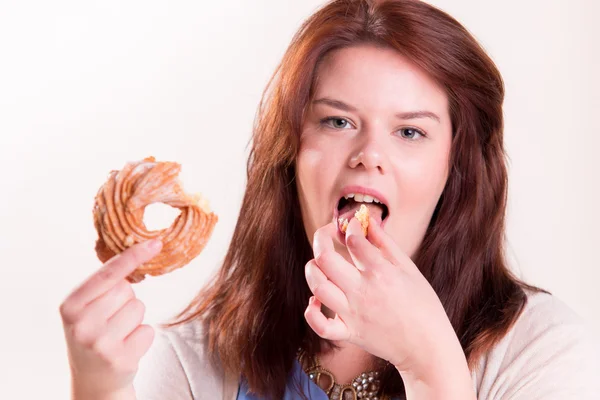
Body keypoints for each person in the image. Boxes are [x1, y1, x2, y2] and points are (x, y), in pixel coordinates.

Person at [59, 0, 598, 399]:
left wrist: (430, 367)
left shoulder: (546, 355)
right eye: (337, 121)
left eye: (410, 132)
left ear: (453, 169)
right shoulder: (192, 361)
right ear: (291, 150)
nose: (368, 155)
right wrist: (98, 388)